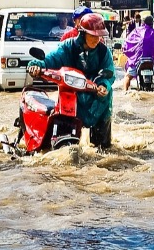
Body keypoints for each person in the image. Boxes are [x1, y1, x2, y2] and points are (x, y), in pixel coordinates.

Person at [27, 12, 115, 150]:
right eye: (92, 35)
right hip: (73, 93)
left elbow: (109, 72)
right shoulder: (68, 47)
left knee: (103, 149)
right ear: (83, 33)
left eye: (99, 36)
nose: (96, 39)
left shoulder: (104, 52)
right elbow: (51, 59)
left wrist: (104, 85)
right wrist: (37, 65)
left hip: (97, 96)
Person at [123, 14, 154, 92]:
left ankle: (124, 92)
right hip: (150, 61)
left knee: (128, 76)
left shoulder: (137, 31)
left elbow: (128, 42)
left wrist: (126, 50)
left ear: (143, 22)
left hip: (137, 60)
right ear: (152, 23)